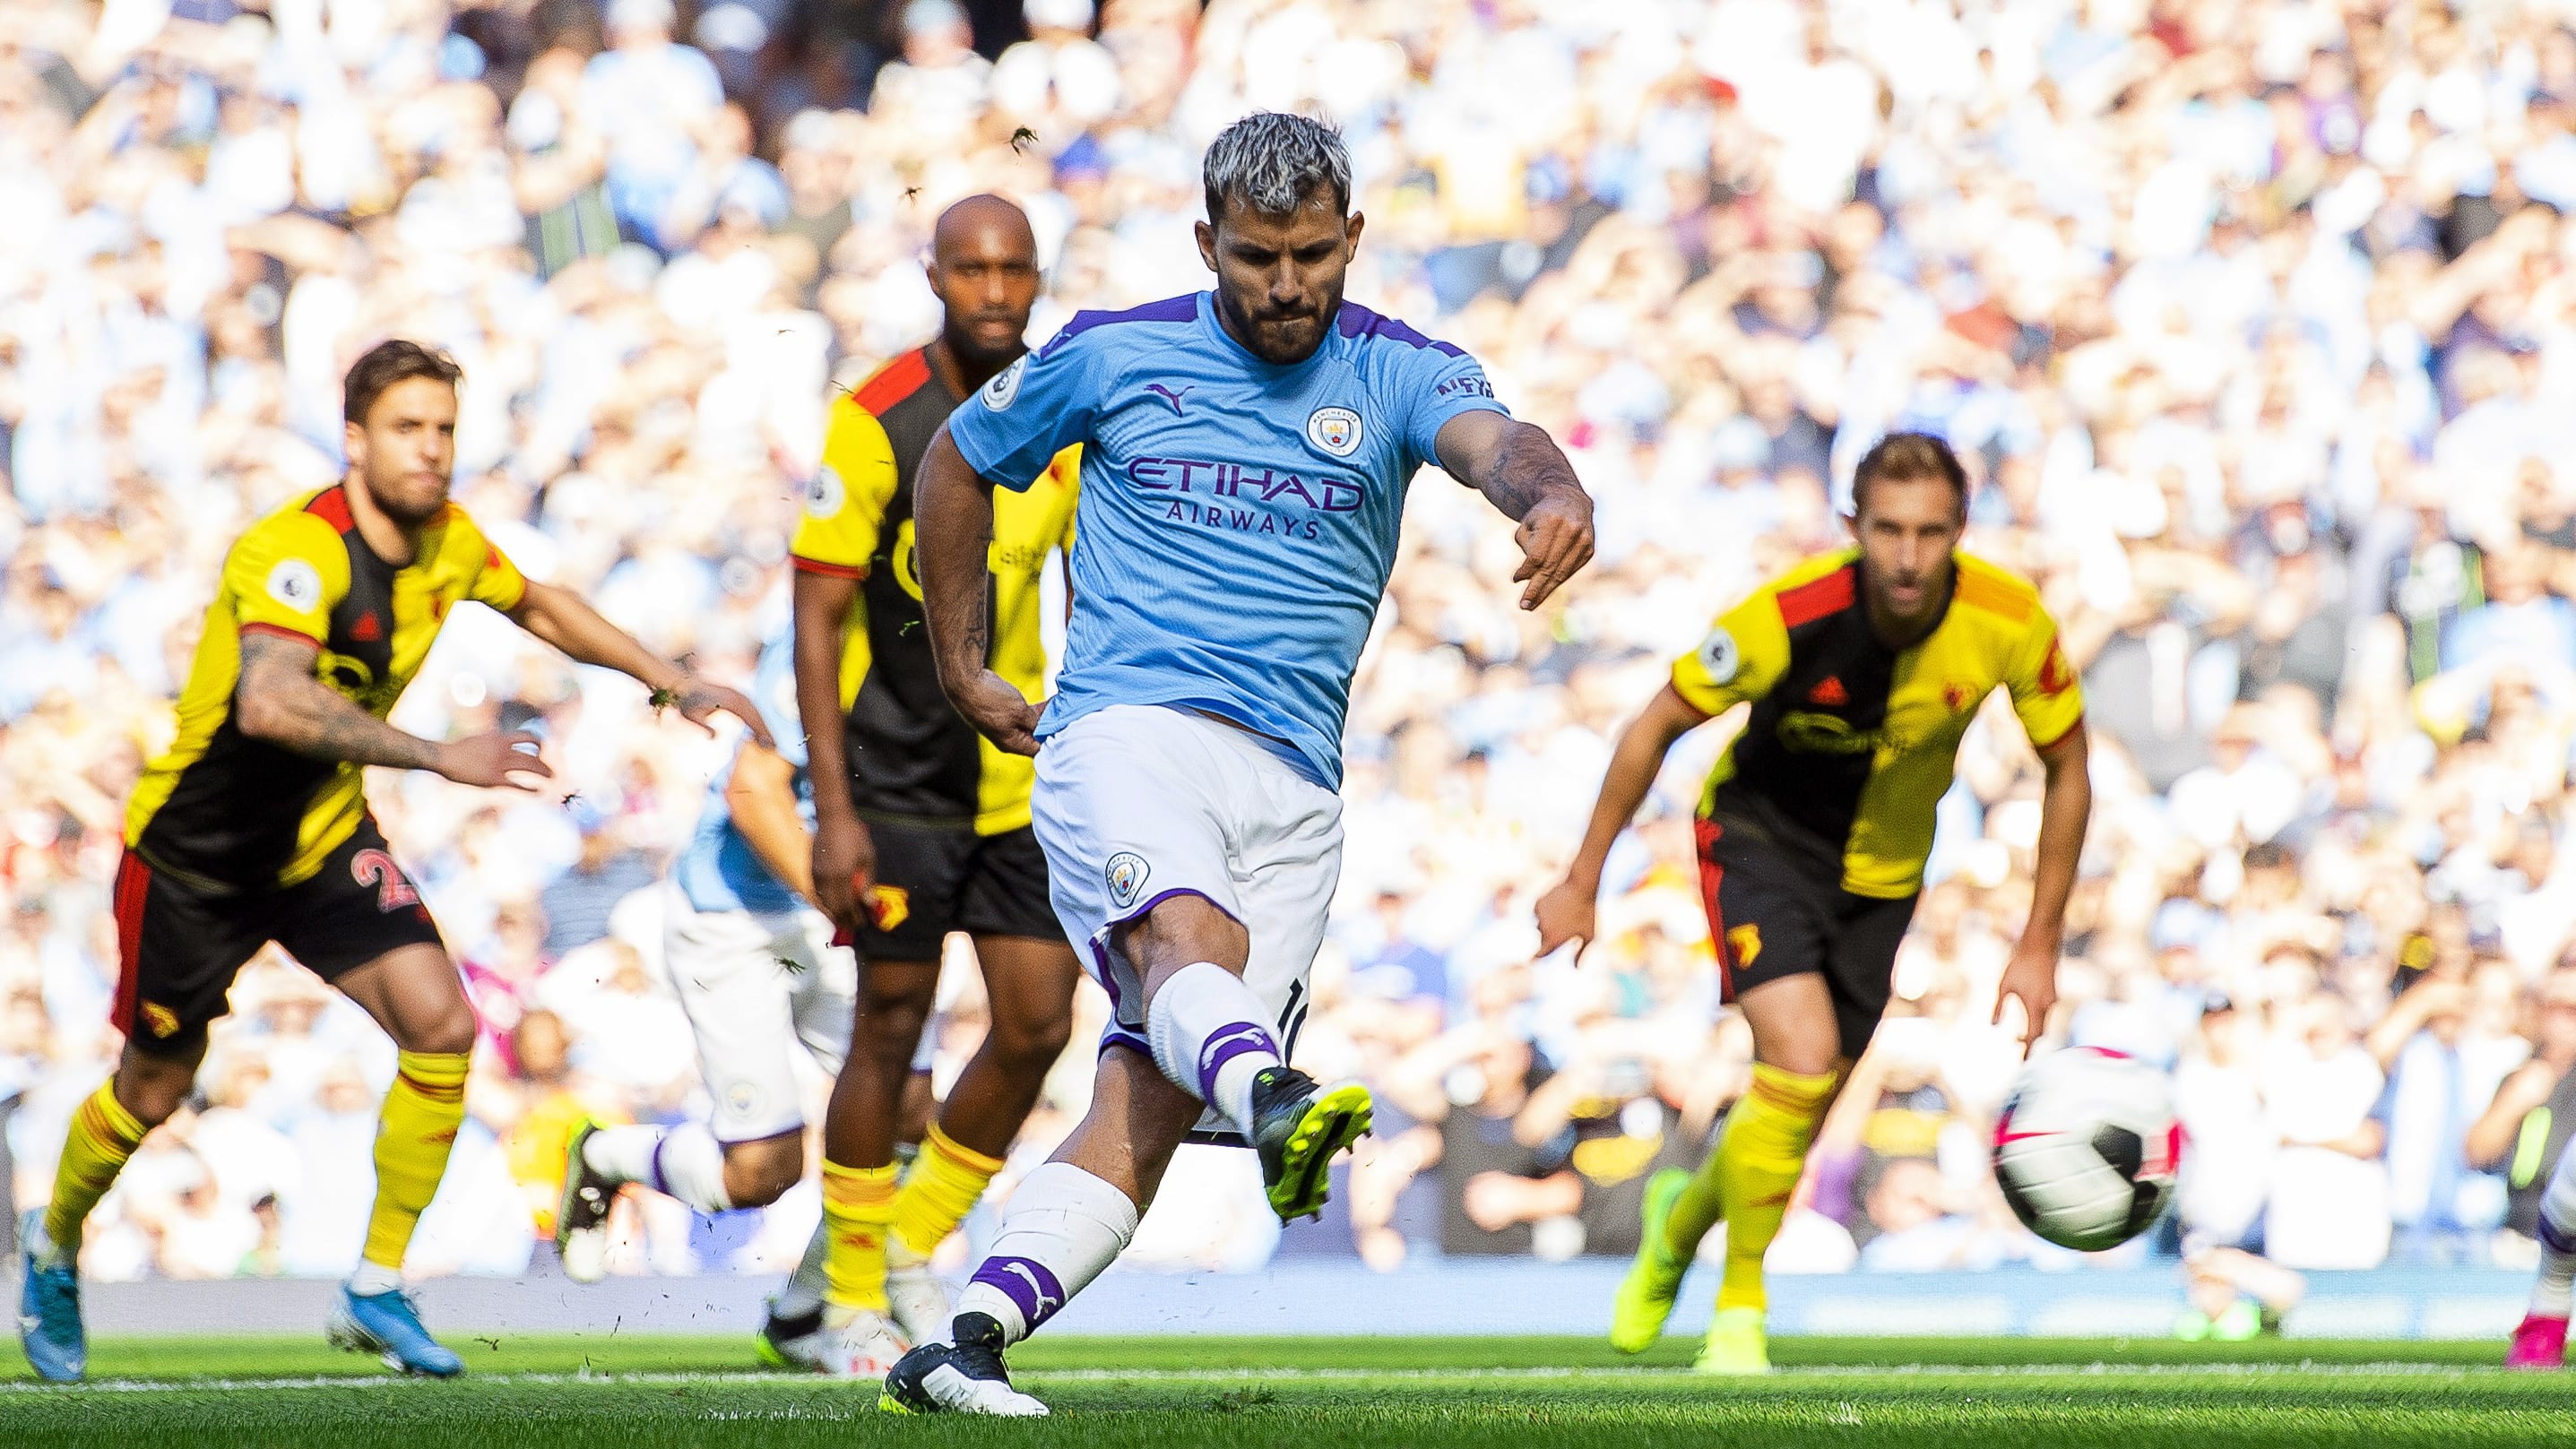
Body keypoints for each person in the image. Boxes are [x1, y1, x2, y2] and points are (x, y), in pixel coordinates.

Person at [879, 112, 1595, 1417]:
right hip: (1126, 731)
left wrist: (1552, 496)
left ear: (1352, 239)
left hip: (1298, 789)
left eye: (1313, 255)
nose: (1286, 286)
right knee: (1185, 948)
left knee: (1149, 1098)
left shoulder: (1395, 370)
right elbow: (955, 461)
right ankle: (1272, 1085)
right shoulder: (1113, 351)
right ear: (1207, 241)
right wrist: (964, 665)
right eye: (1258, 257)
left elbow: (1499, 444)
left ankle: (959, 1343)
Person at [13, 341, 766, 1383]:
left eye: (445, 429)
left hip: (322, 842)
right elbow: (269, 701)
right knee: (151, 1088)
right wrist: (437, 756)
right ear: (355, 439)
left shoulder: (451, 542)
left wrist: (671, 678)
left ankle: (375, 1285)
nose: (431, 449)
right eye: (408, 428)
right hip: (195, 859)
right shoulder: (295, 550)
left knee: (444, 1027)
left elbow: (540, 602)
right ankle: (52, 1247)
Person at [1534, 432, 2092, 1375]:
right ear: (1852, 528)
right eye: (1887, 531)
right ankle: (1741, 1306)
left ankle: (1678, 1227)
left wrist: (2039, 942)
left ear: (1962, 529)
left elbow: (2068, 765)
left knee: (1796, 1106)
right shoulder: (1786, 617)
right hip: (1760, 846)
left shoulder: (2010, 620)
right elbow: (1658, 721)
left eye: (1930, 532)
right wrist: (1583, 876)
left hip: (1885, 881)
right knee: (1798, 1060)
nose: (1908, 557)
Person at [786, 194, 1085, 1377]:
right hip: (897, 782)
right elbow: (813, 620)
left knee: (1035, 1025)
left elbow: (1087, 587)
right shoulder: (876, 419)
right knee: (889, 1032)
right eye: (973, 269)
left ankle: (902, 1247)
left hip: (1015, 788)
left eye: (1015, 268)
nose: (997, 290)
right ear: (934, 276)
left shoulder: (1057, 421)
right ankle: (847, 1303)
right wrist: (836, 807)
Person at [550, 623, 861, 1374]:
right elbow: (755, 796)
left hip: (839, 907)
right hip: (737, 914)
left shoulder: (969, 623)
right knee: (762, 1173)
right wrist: (842, 905)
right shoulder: (830, 633)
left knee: (913, 1119)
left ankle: (806, 1310)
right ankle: (608, 1151)